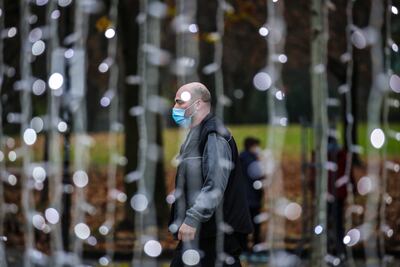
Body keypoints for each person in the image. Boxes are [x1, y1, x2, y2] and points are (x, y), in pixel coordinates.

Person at [168, 82, 253, 267]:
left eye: (179, 102)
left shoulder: (214, 135)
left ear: (198, 104)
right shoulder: (196, 134)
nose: (175, 108)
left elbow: (215, 185)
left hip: (215, 233)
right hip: (205, 232)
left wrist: (192, 219)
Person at [239, 137, 264, 252]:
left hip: (242, 197)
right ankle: (254, 245)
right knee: (255, 223)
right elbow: (258, 176)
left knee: (243, 223)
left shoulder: (240, 158)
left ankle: (243, 245)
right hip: (252, 197)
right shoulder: (253, 160)